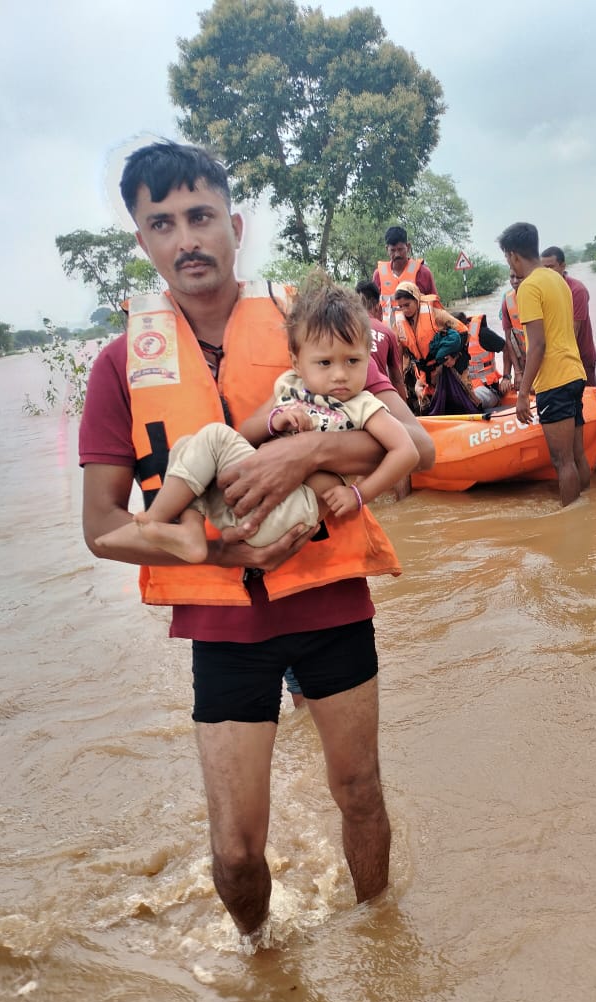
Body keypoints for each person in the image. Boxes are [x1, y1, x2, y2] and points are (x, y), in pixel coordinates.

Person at [79, 140, 434, 949]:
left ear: (234, 224)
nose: (185, 238)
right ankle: (263, 961)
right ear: (143, 241)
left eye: (200, 216)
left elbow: (417, 448)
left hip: (330, 602)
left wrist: (304, 451)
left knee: (360, 794)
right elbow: (102, 528)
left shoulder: (309, 327)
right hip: (222, 628)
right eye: (161, 223)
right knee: (235, 853)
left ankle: (382, 947)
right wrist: (219, 555)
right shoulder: (117, 365)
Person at [94, 277, 420, 563]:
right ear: (297, 361)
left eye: (353, 361)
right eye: (324, 362)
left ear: (367, 355)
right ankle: (190, 531)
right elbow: (247, 432)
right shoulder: (290, 387)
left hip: (295, 513)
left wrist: (358, 495)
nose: (340, 374)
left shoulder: (363, 404)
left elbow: (408, 451)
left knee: (214, 436)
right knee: (185, 446)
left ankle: (151, 523)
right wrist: (275, 420)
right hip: (247, 508)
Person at [498, 222, 590, 506]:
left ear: (513, 255)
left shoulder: (528, 288)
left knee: (562, 461)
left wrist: (523, 393)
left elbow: (537, 345)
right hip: (575, 374)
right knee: (577, 455)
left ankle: (572, 528)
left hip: (555, 381)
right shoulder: (557, 280)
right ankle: (588, 512)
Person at [390, 282, 468, 412]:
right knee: (427, 409)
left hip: (444, 369)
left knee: (460, 405)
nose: (404, 310)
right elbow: (399, 354)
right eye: (401, 306)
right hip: (422, 376)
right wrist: (401, 381)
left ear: (416, 299)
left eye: (407, 305)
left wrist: (454, 357)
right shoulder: (399, 323)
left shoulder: (436, 314)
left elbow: (463, 331)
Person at [540, 246, 596, 387]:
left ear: (562, 266)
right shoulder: (544, 290)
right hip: (560, 360)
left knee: (586, 402)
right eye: (544, 268)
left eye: (551, 267)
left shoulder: (577, 291)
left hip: (580, 358)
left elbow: (573, 332)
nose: (547, 272)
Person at [355, 279, 407, 403]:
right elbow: (397, 379)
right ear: (378, 307)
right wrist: (407, 414)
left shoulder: (343, 330)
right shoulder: (387, 332)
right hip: (380, 401)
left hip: (352, 401)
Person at [373, 226, 438, 323]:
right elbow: (373, 308)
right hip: (390, 333)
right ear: (387, 249)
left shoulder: (423, 272)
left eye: (400, 249)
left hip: (417, 332)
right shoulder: (378, 275)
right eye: (393, 250)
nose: (397, 254)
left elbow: (435, 305)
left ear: (408, 247)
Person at [451, 311, 507, 410]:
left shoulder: (482, 334)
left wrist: (507, 377)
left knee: (467, 400)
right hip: (467, 388)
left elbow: (507, 349)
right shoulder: (450, 343)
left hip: (487, 389)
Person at [500, 270, 526, 395]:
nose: (515, 281)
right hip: (523, 360)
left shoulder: (538, 297)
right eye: (512, 277)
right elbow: (509, 340)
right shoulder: (507, 301)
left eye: (519, 277)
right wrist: (517, 372)